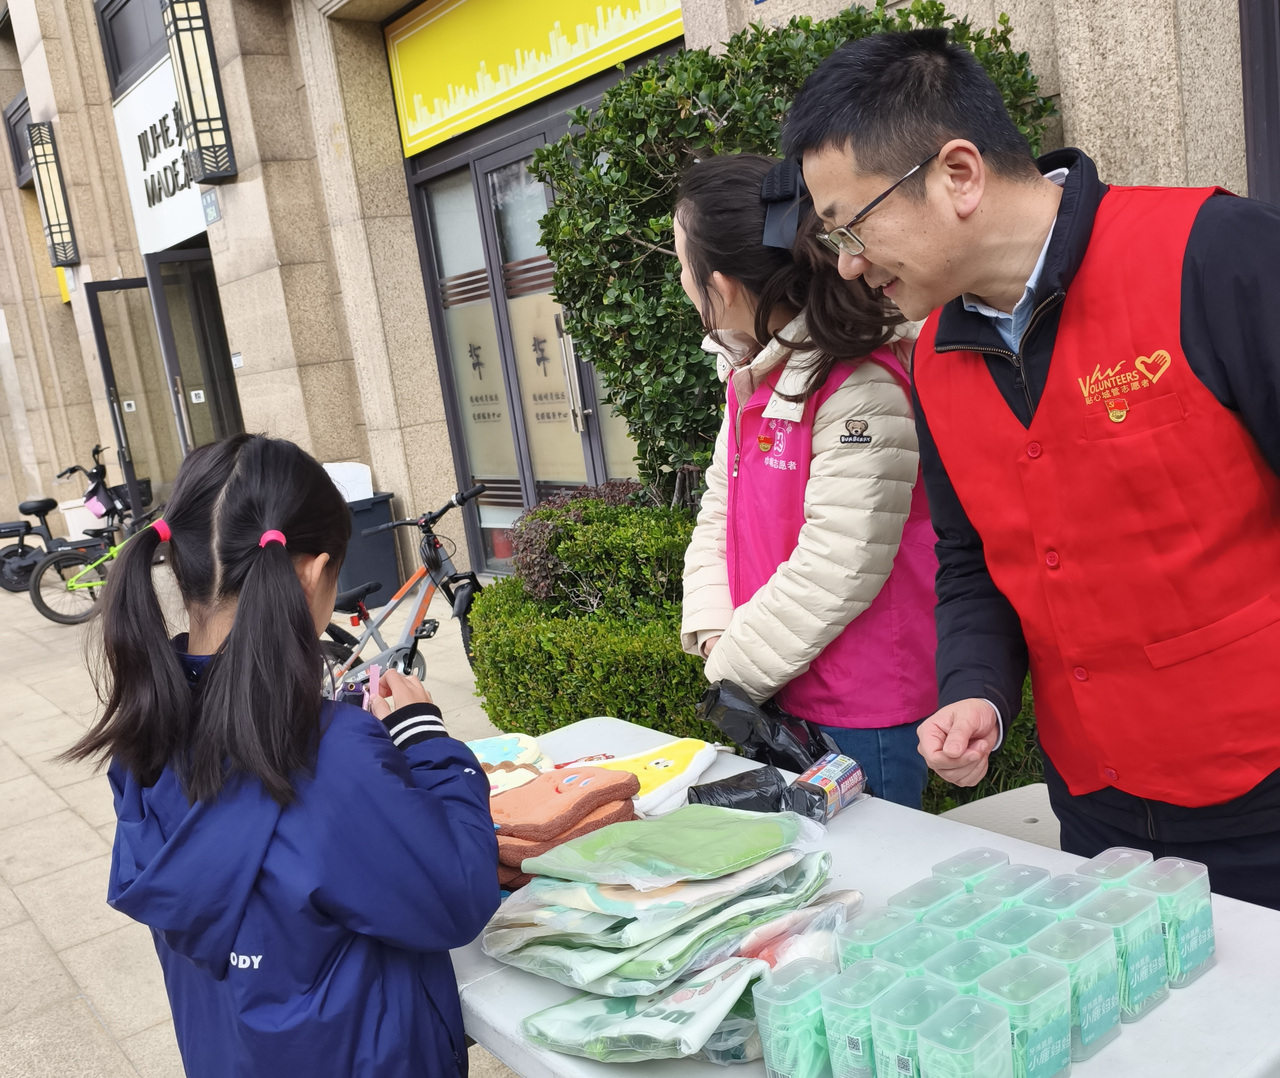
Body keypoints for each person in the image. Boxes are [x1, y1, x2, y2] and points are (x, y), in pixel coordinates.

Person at [783, 29, 1280, 908]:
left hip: (1262, 791)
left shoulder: (1214, 253)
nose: (849, 263)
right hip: (1094, 804)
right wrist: (975, 689)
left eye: (852, 226)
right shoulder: (933, 357)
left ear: (959, 174)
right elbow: (972, 558)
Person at [65, 434, 500, 1076]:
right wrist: (423, 738)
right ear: (312, 573)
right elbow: (456, 895)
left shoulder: (143, 736)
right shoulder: (329, 755)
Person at [676, 153, 939, 808]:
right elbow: (719, 507)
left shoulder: (860, 384)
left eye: (682, 265)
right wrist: (715, 629)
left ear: (721, 286)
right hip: (777, 682)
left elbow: (841, 561)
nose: (680, 282)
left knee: (869, 871)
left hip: (861, 708)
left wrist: (731, 667)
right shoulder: (751, 375)